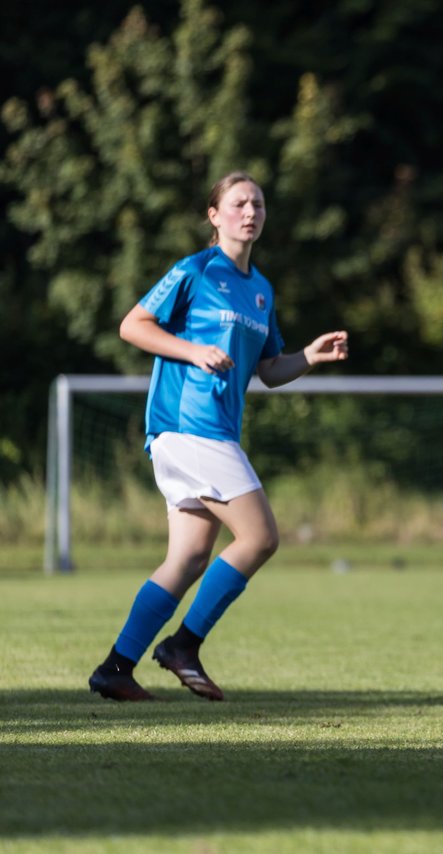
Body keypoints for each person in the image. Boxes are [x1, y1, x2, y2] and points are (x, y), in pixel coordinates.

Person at [88, 171, 349, 701]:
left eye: (257, 203)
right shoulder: (195, 270)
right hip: (189, 428)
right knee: (259, 537)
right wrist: (192, 350)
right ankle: (183, 645)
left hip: (209, 433)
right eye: (237, 204)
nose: (249, 212)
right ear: (214, 216)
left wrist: (310, 357)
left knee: (187, 558)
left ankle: (115, 668)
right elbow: (132, 326)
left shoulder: (261, 290)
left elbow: (270, 370)